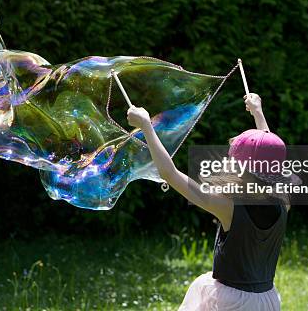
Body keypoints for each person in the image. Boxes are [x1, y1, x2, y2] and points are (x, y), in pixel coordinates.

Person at [127, 93, 297, 310]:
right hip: (266, 300)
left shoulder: (229, 208)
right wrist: (258, 113)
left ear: (242, 170)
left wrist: (146, 127)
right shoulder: (284, 200)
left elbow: (170, 174)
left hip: (232, 303)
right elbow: (268, 152)